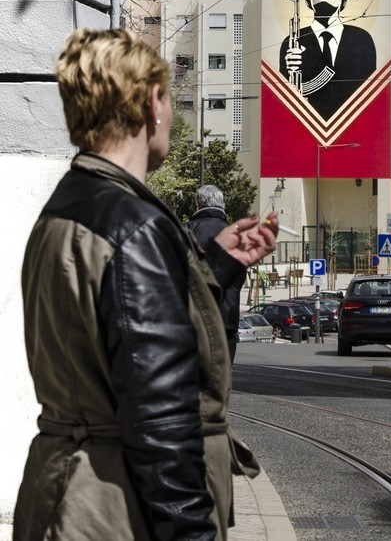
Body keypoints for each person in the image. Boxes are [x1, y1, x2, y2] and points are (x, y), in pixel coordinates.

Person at [14, 28, 278, 541]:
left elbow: (109, 332)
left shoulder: (68, 208)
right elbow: (160, 416)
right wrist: (192, 531)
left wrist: (216, 265)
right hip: (116, 507)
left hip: (63, 492)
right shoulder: (136, 227)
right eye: (170, 100)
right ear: (152, 102)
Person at [279, 0, 376, 119]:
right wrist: (289, 72)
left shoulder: (361, 40)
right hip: (306, 123)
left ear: (344, 2)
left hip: (352, 124)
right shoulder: (292, 42)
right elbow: (282, 101)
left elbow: (370, 93)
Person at [188, 184, 246, 362]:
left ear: (197, 204)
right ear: (223, 205)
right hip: (226, 317)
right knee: (222, 373)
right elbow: (240, 276)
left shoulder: (187, 230)